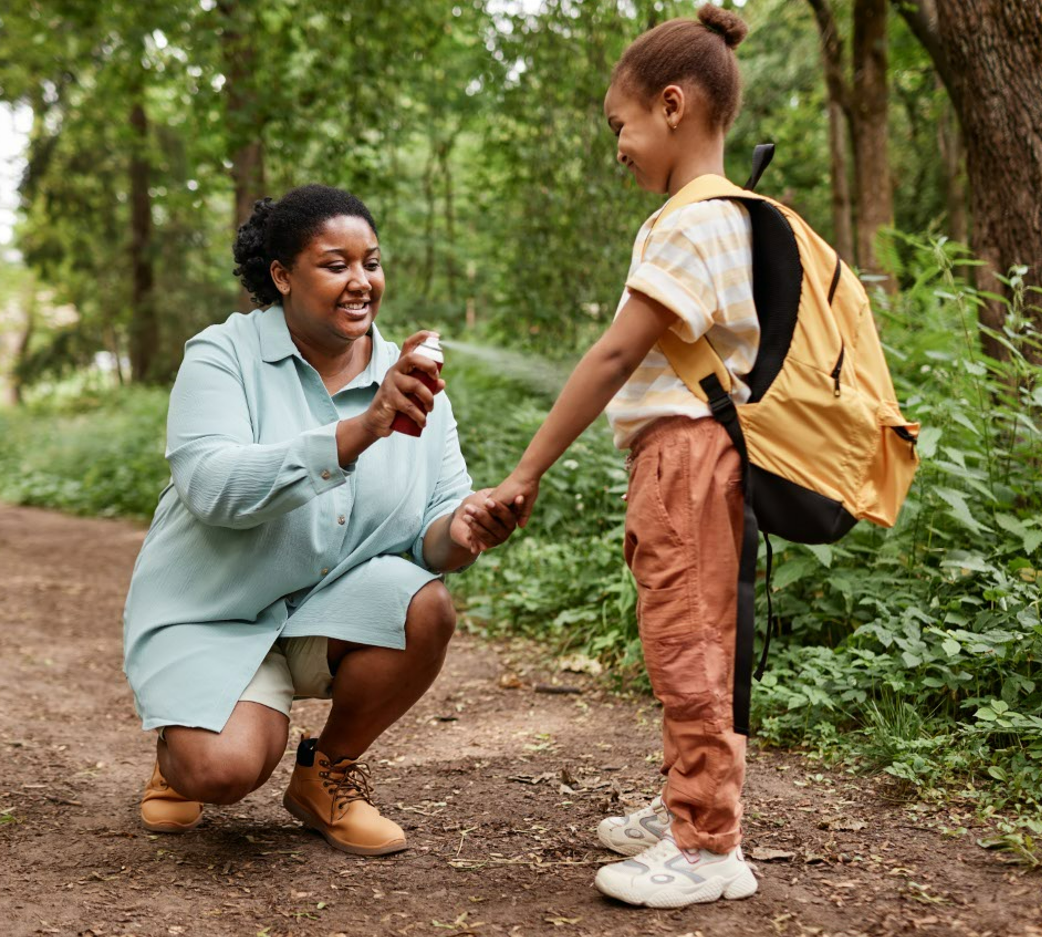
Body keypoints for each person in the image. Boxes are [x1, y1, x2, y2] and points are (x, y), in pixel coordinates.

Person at [122, 184, 518, 857]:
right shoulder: (221, 356)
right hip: (213, 611)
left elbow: (431, 535)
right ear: (282, 276)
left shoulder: (414, 381)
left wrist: (467, 527)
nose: (361, 281)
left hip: (326, 612)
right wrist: (359, 430)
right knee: (222, 771)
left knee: (426, 605)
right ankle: (180, 747)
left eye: (371, 262)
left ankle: (324, 773)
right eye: (336, 265)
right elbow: (212, 485)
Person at [487, 4, 761, 909]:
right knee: (693, 638)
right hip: (702, 454)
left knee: (684, 641)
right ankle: (690, 797)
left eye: (621, 124)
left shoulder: (686, 222)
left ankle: (705, 844)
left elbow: (612, 356)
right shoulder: (731, 215)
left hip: (684, 457)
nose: (617, 145)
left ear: (673, 106)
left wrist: (526, 470)